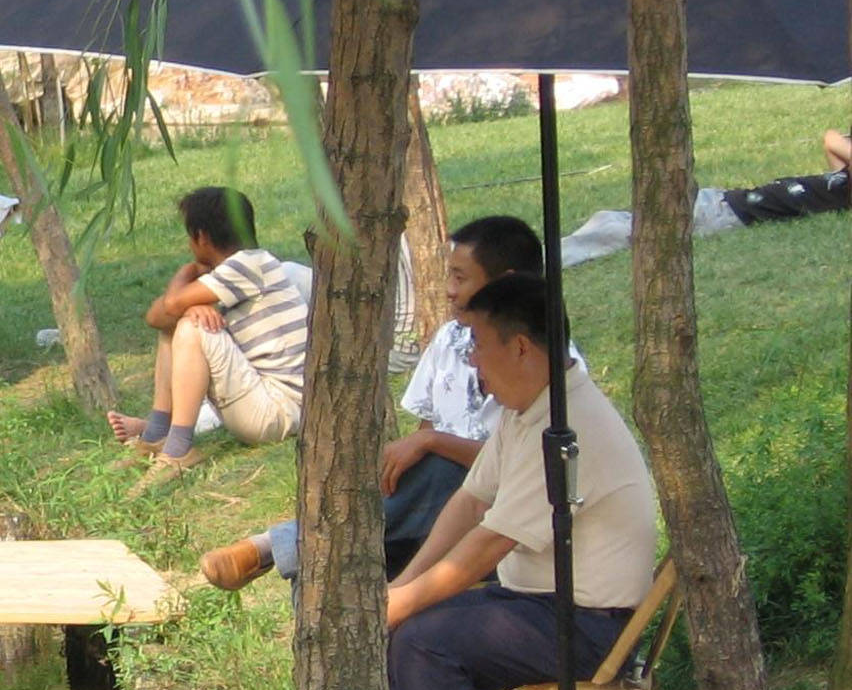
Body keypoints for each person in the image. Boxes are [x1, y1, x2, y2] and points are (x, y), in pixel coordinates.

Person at [383, 273, 658, 690]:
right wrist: (401, 588)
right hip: (541, 604)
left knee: (425, 640)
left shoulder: (565, 424)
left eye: (479, 346)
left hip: (589, 626)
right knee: (411, 623)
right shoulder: (526, 411)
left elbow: (489, 542)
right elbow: (470, 501)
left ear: (521, 347)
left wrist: (402, 605)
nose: (476, 364)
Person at [199, 215, 545, 591]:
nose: (448, 289)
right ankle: (300, 557)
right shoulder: (449, 339)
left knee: (439, 471)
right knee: (324, 574)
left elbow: (519, 467)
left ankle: (272, 546)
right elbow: (425, 430)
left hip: (493, 516)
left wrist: (431, 444)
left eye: (460, 278)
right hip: (434, 509)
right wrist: (407, 457)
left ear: (506, 282)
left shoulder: (541, 362)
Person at [103, 187, 306, 484]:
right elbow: (156, 318)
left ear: (201, 237)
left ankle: (178, 450)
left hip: (278, 413)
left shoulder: (249, 265)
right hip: (267, 407)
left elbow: (171, 305)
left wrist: (186, 277)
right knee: (177, 324)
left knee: (190, 326)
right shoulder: (239, 267)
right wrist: (188, 304)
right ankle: (158, 434)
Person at [559, 129, 852, 268]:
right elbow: (831, 139)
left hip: (730, 216)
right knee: (612, 220)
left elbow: (837, 142)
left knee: (620, 230)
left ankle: (537, 261)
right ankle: (540, 254)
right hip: (726, 200)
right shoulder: (843, 184)